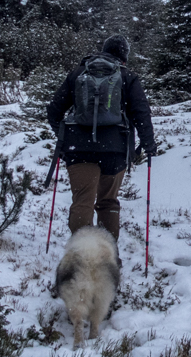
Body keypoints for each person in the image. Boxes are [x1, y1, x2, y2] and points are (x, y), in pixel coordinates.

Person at [47, 35, 155, 239]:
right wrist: (148, 143)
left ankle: (81, 256)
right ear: (124, 56)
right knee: (108, 202)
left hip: (78, 149)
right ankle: (108, 257)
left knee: (82, 201)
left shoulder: (78, 73)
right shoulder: (127, 76)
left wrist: (64, 137)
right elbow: (141, 112)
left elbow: (54, 111)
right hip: (115, 149)